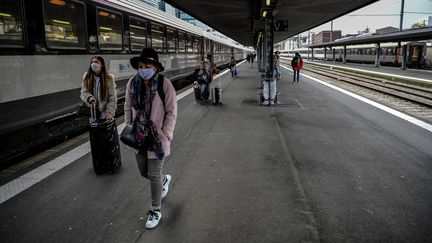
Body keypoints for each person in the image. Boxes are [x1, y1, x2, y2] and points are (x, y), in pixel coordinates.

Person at [125, 48, 177, 229]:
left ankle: (155, 209)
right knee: (143, 172)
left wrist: (167, 134)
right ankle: (164, 181)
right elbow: (127, 106)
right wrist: (129, 127)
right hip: (139, 135)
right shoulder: (133, 83)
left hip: (157, 138)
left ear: (156, 67)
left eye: (147, 66)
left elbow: (171, 112)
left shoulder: (165, 85)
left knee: (154, 173)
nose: (143, 69)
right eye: (140, 66)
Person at [80, 56, 117, 120]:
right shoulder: (87, 77)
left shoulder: (109, 79)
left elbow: (112, 97)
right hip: (91, 112)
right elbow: (84, 92)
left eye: (96, 62)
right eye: (92, 62)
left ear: (101, 65)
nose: (94, 64)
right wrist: (89, 97)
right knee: (93, 128)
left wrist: (110, 112)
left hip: (104, 114)